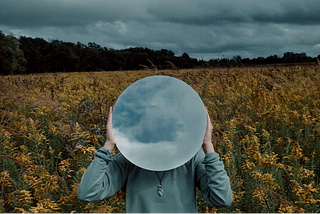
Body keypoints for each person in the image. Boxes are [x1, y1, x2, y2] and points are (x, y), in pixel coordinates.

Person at [77, 106, 233, 213]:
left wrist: (208, 146)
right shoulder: (128, 160)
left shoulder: (192, 159)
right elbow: (88, 193)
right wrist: (109, 144)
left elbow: (222, 199)